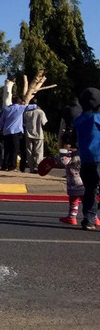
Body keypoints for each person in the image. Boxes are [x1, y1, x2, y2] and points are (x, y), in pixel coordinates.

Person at [74, 87, 100, 231]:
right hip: (99, 157)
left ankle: (88, 219)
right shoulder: (98, 118)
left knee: (90, 189)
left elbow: (72, 138)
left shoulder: (79, 120)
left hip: (86, 159)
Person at [39, 149, 86, 226]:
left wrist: (62, 152)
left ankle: (72, 217)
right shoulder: (82, 152)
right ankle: (94, 218)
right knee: (87, 201)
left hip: (74, 183)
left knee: (73, 200)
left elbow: (62, 161)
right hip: (84, 182)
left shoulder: (69, 156)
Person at [0, 96, 36, 172]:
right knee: (14, 150)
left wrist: (0, 128)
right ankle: (12, 166)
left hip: (6, 131)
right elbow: (33, 106)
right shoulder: (20, 108)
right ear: (19, 102)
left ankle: (5, 165)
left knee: (7, 149)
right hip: (16, 132)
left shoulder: (6, 109)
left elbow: (2, 121)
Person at [22, 101, 48, 173]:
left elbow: (24, 123)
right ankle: (38, 166)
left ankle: (31, 168)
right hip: (38, 133)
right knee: (39, 151)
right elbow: (44, 123)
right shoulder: (41, 112)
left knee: (29, 151)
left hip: (28, 133)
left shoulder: (26, 113)